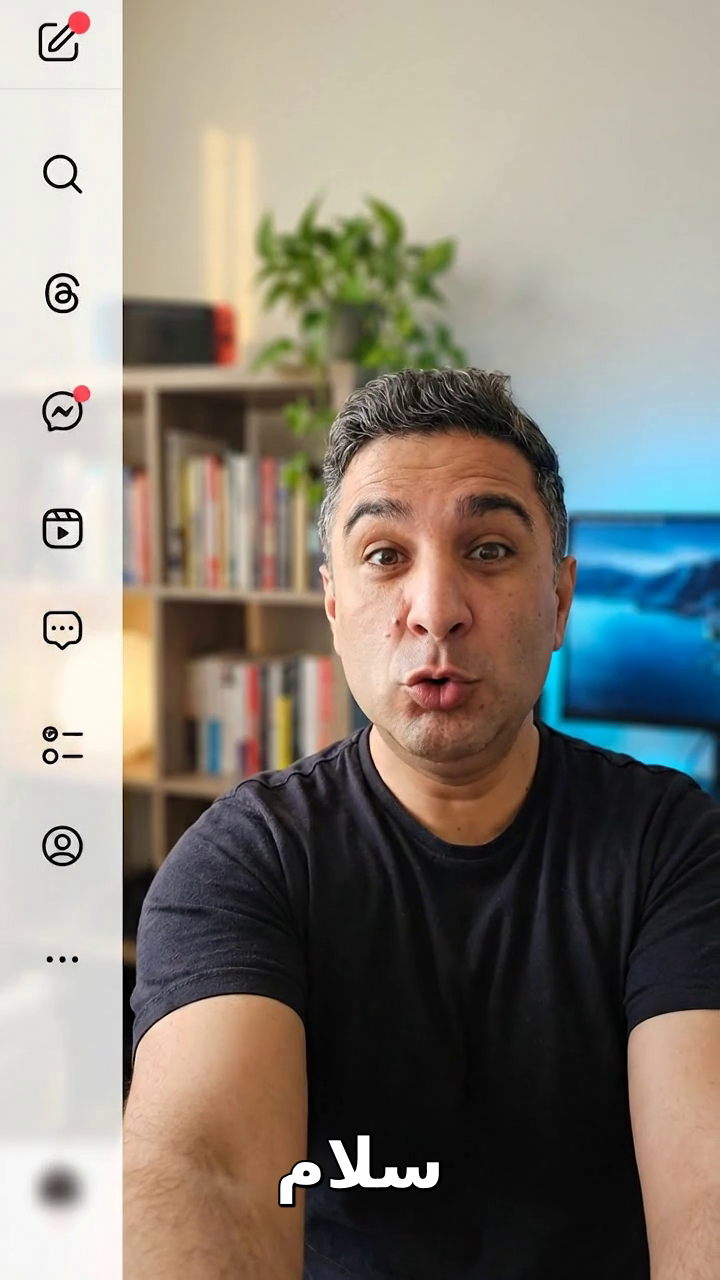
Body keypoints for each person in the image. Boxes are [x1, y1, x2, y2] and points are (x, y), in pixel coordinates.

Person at [123, 368, 720, 1280]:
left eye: (489, 549)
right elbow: (209, 1171)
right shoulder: (247, 862)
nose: (436, 611)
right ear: (333, 604)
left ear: (560, 600)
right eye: (383, 555)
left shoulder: (673, 847)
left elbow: (706, 1182)